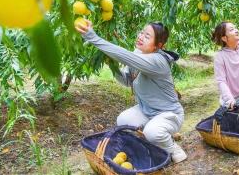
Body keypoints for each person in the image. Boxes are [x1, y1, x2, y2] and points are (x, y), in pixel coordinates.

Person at [75, 20, 187, 163]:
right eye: (142, 32)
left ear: (158, 46)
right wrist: (112, 65)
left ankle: (172, 148)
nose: (141, 36)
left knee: (153, 132)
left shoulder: (158, 61)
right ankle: (153, 139)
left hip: (169, 114)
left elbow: (124, 55)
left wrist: (94, 38)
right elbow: (128, 81)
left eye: (147, 36)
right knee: (123, 120)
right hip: (147, 111)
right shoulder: (139, 52)